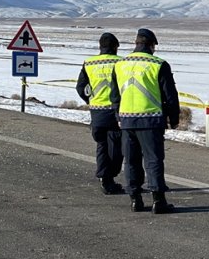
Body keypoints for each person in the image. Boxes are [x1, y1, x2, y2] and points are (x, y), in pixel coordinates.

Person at [110, 28, 180, 214]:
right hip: (151, 121)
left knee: (131, 161)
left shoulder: (120, 64)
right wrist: (174, 118)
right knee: (153, 160)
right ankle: (158, 201)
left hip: (126, 121)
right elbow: (170, 95)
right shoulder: (158, 64)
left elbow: (114, 95)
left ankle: (135, 200)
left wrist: (118, 116)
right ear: (151, 45)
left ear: (136, 43)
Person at [75, 32, 124, 195]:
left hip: (96, 112)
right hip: (116, 111)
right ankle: (109, 178)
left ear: (100, 47)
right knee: (117, 146)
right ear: (115, 47)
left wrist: (90, 100)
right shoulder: (121, 62)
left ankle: (104, 178)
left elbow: (80, 87)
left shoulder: (89, 63)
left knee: (102, 145)